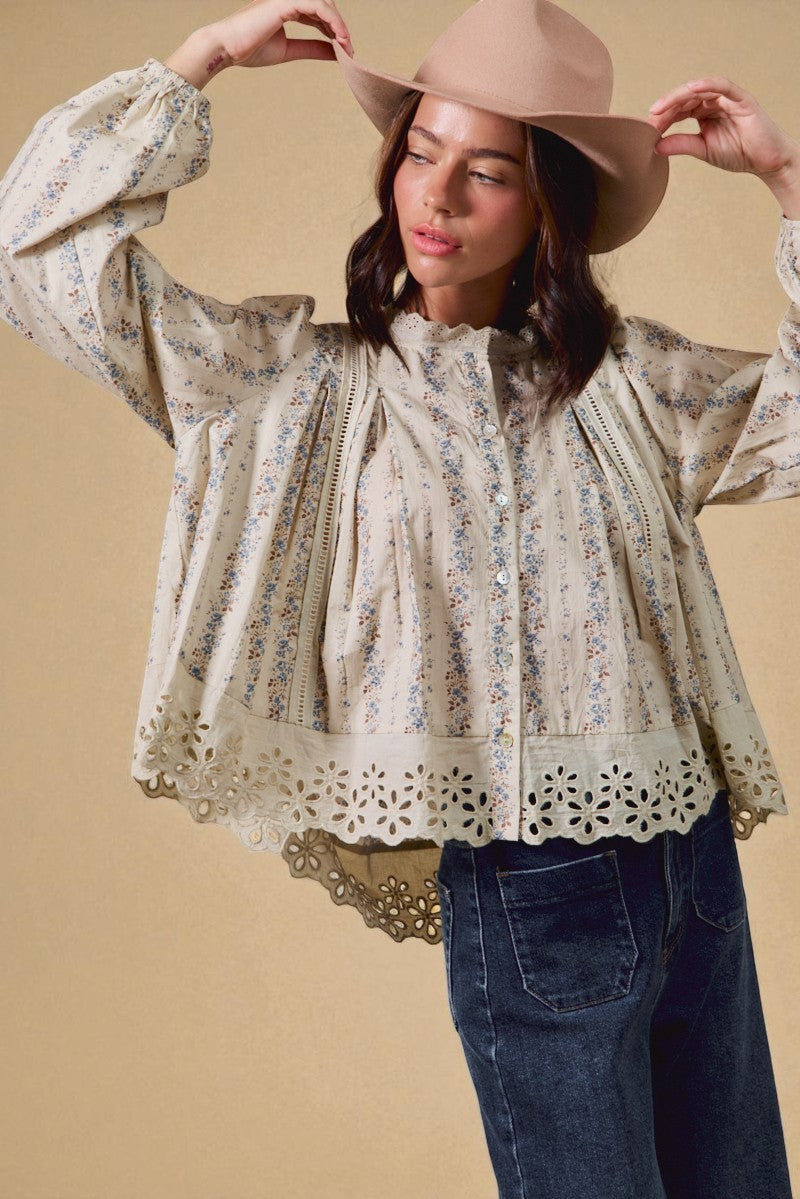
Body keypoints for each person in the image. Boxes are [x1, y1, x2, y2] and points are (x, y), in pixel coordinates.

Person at [0, 0, 797, 1194]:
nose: (435, 196)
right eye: (420, 152)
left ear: (546, 209)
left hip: (690, 853)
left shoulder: (627, 384)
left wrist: (786, 180)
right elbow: (44, 256)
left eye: (485, 173)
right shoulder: (294, 386)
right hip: (536, 875)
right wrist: (201, 62)